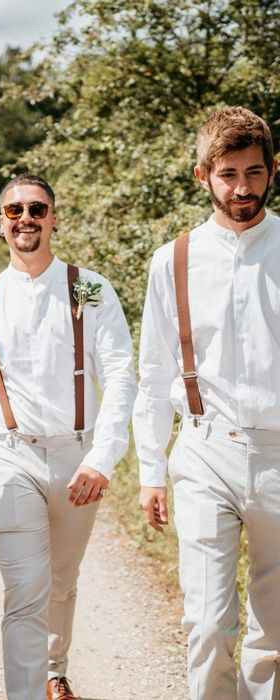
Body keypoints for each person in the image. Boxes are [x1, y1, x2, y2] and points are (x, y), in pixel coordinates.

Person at [0, 174, 136, 700]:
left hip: (79, 456)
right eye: (14, 211)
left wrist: (103, 456)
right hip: (9, 457)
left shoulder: (90, 287)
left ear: (54, 218)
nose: (25, 218)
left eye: (37, 209)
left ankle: (55, 668)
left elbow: (121, 373)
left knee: (61, 577)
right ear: (1, 224)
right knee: (24, 590)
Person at [133, 106, 280, 700]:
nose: (241, 188)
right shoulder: (174, 259)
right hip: (202, 447)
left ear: (273, 170)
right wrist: (150, 472)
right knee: (207, 621)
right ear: (202, 176)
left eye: (253, 172)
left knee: (274, 630)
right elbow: (154, 371)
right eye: (228, 174)